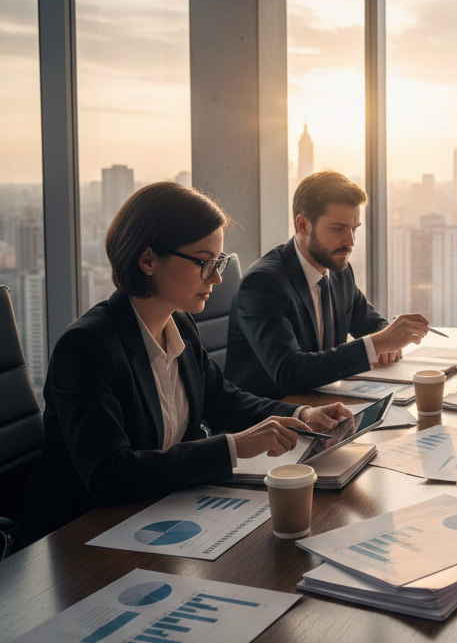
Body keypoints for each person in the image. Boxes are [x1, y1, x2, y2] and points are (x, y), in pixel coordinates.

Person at [20, 182, 353, 545]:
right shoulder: (87, 348)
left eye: (219, 261)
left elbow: (223, 400)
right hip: (82, 539)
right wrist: (233, 447)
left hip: (163, 516)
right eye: (204, 262)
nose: (217, 277)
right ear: (147, 259)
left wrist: (303, 416)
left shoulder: (178, 324)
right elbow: (109, 475)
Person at [226, 170, 429, 399]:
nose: (350, 242)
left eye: (354, 229)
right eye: (338, 229)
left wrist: (388, 339)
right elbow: (289, 372)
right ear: (303, 225)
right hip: (269, 421)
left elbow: (372, 324)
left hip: (324, 406)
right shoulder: (263, 285)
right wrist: (378, 344)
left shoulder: (338, 269)